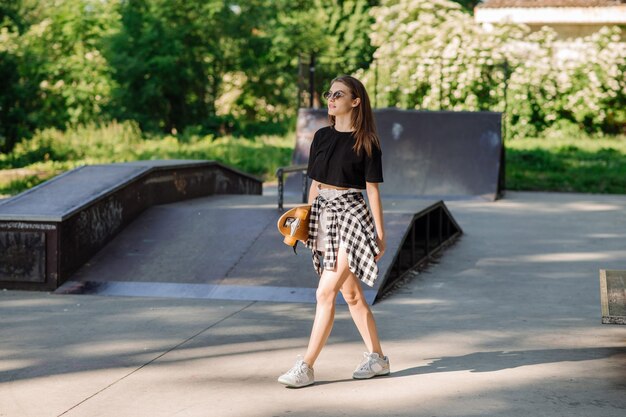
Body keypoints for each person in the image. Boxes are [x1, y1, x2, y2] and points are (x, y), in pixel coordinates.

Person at [278, 75, 389, 388]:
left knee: (325, 292)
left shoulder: (367, 141)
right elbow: (315, 184)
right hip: (323, 215)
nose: (331, 97)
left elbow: (373, 190)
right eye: (330, 93)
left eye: (339, 94)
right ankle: (378, 358)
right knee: (351, 295)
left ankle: (306, 366)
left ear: (355, 101)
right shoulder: (322, 136)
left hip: (352, 214)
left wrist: (380, 235)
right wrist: (305, 220)